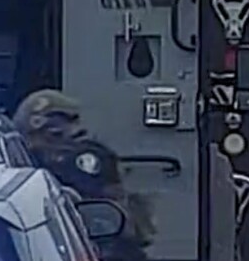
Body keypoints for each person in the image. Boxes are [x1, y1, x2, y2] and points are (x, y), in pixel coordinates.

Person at [14, 90, 155, 261]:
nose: (34, 145)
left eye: (54, 135)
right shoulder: (27, 167)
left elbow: (107, 216)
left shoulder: (85, 160)